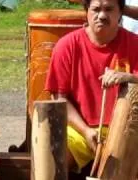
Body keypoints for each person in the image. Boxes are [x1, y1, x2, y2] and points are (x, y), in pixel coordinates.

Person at [45, 0, 138, 173]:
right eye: (96, 9)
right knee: (52, 155)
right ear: (86, 11)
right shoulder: (67, 45)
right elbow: (59, 98)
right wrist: (86, 131)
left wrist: (130, 77)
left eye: (109, 9)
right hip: (80, 130)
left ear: (120, 13)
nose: (102, 15)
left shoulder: (135, 43)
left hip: (128, 131)